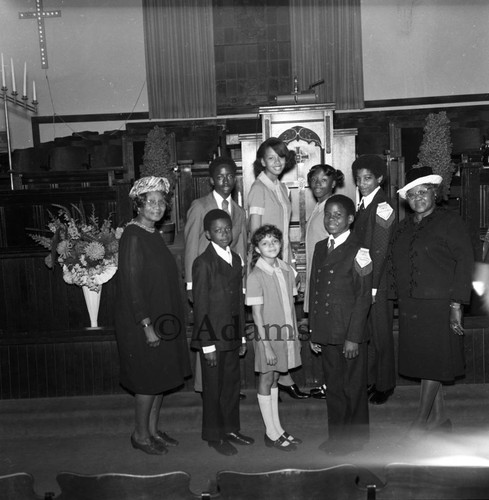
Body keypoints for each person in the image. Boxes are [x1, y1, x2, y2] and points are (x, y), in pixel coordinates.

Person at [391, 166, 474, 439]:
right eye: (412, 195)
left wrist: (456, 305)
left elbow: (465, 262)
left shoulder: (450, 221)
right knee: (428, 362)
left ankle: (420, 420)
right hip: (412, 305)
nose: (418, 199)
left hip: (440, 304)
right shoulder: (403, 227)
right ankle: (439, 418)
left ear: (434, 193)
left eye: (423, 192)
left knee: (434, 361)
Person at [115, 176, 191, 455]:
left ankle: (153, 430)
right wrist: (146, 325)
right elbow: (133, 285)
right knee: (147, 381)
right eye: (151, 202)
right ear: (139, 205)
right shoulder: (133, 236)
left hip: (162, 318)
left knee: (160, 377)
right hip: (142, 322)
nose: (158, 207)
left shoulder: (152, 233)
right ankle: (140, 434)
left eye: (162, 202)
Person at [309, 195, 373, 454]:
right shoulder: (320, 247)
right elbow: (315, 290)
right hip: (327, 330)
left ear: (350, 219)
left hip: (349, 332)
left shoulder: (361, 250)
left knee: (353, 387)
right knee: (333, 387)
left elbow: (363, 297)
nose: (331, 220)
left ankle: (356, 439)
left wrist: (353, 337)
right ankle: (337, 437)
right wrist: (315, 330)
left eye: (338, 215)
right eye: (328, 215)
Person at [248, 137, 309, 400]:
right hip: (266, 264)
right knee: (272, 319)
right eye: (271, 157)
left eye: (281, 157)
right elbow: (254, 231)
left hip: (283, 262)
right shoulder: (258, 188)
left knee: (287, 318)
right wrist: (262, 264)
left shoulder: (282, 188)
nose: (277, 162)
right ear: (262, 161)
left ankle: (283, 375)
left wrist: (291, 263)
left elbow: (285, 231)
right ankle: (278, 376)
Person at [191, 209, 254, 456]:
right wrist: (207, 346)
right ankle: (214, 435)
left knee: (231, 386)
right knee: (213, 388)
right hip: (212, 339)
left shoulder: (236, 259)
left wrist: (240, 336)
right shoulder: (203, 263)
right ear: (208, 234)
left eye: (227, 229)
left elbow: (238, 301)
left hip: (231, 335)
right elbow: (201, 307)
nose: (224, 234)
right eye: (218, 230)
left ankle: (230, 429)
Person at [184, 156, 247, 397]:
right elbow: (191, 244)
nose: (225, 181)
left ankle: (227, 385)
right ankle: (206, 386)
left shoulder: (239, 211)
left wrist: (240, 283)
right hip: (205, 280)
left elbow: (240, 247)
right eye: (220, 176)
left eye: (230, 176)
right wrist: (191, 284)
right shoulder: (200, 206)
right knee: (207, 328)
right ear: (211, 180)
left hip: (229, 282)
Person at [245, 224, 302, 451]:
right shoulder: (255, 276)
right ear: (257, 249)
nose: (271, 246)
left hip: (286, 335)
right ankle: (270, 432)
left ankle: (278, 429)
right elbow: (257, 314)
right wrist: (266, 346)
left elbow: (291, 302)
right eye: (265, 243)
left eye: (275, 241)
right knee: (266, 379)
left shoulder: (286, 269)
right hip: (268, 336)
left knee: (277, 377)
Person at [352, 154, 396, 405]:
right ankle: (373, 380)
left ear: (379, 178)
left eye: (367, 178)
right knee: (368, 334)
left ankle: (385, 385)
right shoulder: (363, 204)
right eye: (358, 179)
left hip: (378, 283)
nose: (362, 183)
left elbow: (379, 251)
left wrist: (374, 287)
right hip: (366, 281)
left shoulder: (382, 206)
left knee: (381, 336)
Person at [303, 164, 345, 399]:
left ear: (333, 183)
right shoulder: (319, 208)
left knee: (330, 338)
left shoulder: (333, 209)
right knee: (323, 337)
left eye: (323, 180)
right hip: (317, 278)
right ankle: (329, 383)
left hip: (328, 283)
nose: (318, 184)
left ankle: (334, 386)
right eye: (314, 180)